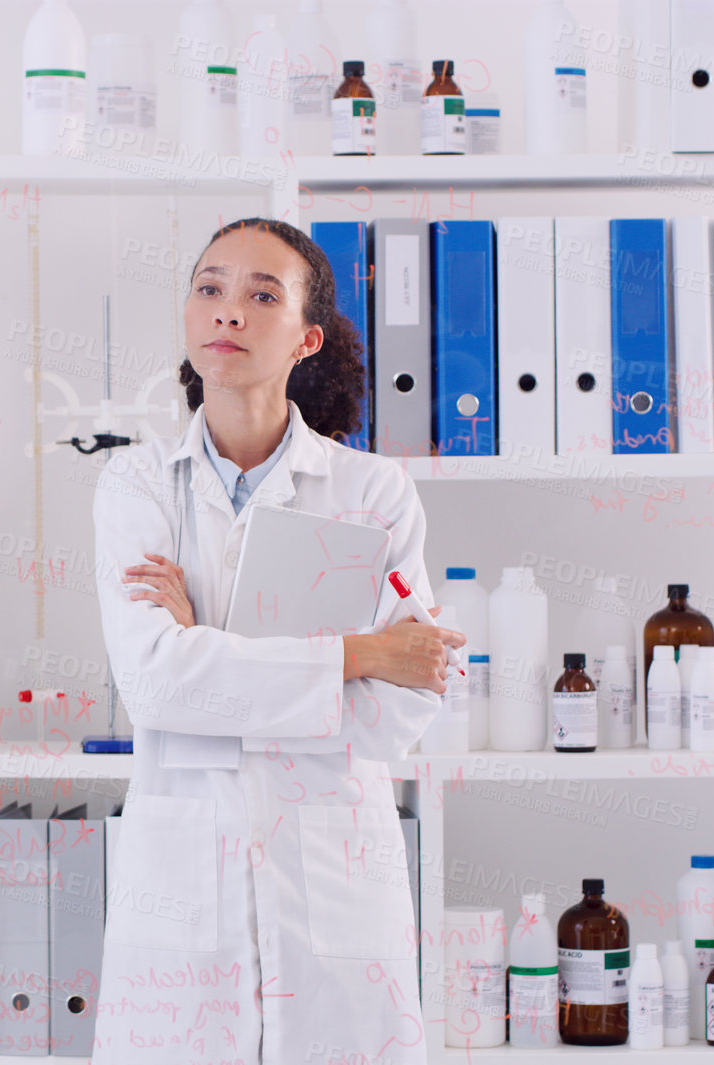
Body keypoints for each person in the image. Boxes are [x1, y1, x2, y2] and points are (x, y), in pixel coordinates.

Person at [90, 217, 465, 1063]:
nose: (228, 312)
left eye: (262, 295)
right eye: (209, 288)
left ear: (306, 339)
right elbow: (153, 685)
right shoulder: (137, 485)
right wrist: (355, 657)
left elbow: (397, 715)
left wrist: (209, 653)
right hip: (185, 886)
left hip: (330, 880)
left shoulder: (372, 491)